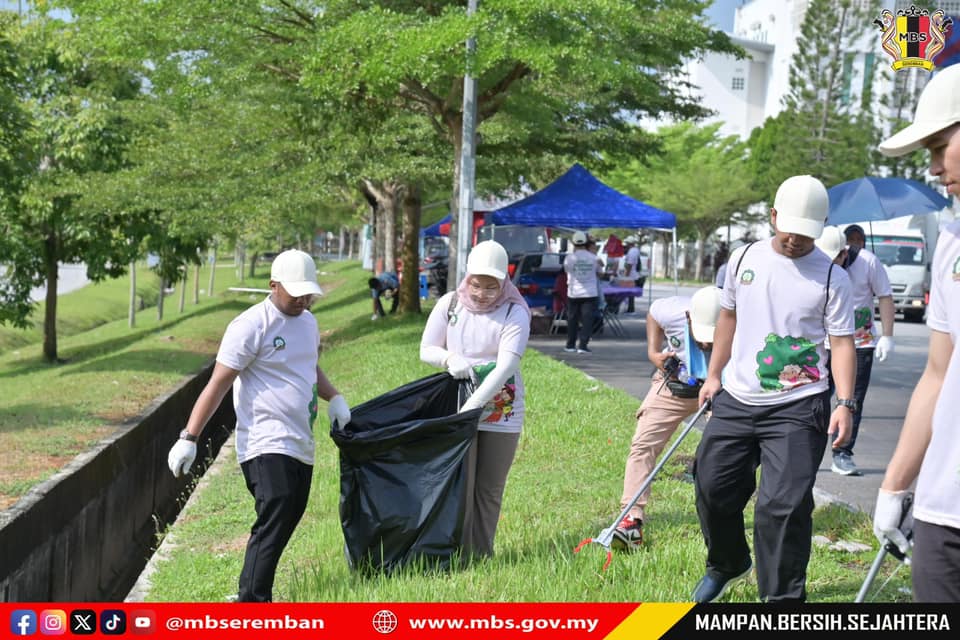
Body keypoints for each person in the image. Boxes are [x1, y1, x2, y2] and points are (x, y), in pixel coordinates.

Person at [692, 175, 856, 603]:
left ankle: (782, 602)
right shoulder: (743, 257)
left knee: (782, 507)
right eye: (789, 230)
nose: (796, 240)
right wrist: (713, 376)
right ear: (773, 217)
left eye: (806, 234)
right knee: (711, 485)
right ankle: (727, 562)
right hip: (738, 396)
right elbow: (727, 318)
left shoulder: (832, 280)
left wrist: (844, 402)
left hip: (800, 406)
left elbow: (841, 344)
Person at [166, 249, 352, 602]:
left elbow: (309, 368)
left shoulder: (308, 323)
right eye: (295, 292)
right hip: (264, 439)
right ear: (273, 285)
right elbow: (218, 383)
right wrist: (189, 436)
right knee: (277, 504)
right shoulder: (251, 325)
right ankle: (251, 600)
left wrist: (336, 397)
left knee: (291, 510)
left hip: (301, 437)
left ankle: (252, 592)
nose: (302, 299)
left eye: (307, 292)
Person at [871, 63, 960, 602]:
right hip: (943, 511)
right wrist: (896, 484)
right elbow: (937, 372)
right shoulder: (951, 241)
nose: (931, 168)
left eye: (939, 146)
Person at [419, 240, 531, 558]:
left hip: (500, 407)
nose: (482, 293)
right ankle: (454, 551)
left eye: (491, 287)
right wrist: (448, 359)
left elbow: (507, 364)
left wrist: (476, 404)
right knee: (460, 483)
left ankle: (481, 553)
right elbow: (427, 348)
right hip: (458, 402)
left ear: (504, 283)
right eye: (476, 284)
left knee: (488, 487)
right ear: (466, 278)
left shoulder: (514, 311)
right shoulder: (450, 304)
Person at [611, 285, 721, 550]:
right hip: (675, 385)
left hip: (722, 390)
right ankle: (631, 519)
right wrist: (653, 352)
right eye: (702, 335)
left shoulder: (744, 320)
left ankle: (720, 521)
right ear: (689, 317)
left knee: (722, 455)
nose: (706, 343)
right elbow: (653, 314)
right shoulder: (671, 310)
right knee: (643, 444)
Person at [817, 225, 895, 476]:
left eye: (836, 260)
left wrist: (888, 335)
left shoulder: (868, 262)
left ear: (844, 252)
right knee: (813, 399)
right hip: (822, 344)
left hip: (859, 344)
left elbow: (885, 296)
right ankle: (807, 450)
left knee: (851, 401)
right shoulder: (816, 262)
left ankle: (842, 454)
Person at [563, 231, 603, 354]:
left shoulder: (569, 258)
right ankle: (583, 346)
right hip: (590, 293)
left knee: (572, 319)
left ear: (574, 242)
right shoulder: (594, 258)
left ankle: (570, 345)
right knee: (587, 320)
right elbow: (600, 273)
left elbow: (567, 271)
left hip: (573, 293)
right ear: (586, 242)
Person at [622, 235, 642, 313]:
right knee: (630, 293)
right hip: (633, 274)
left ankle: (630, 308)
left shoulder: (632, 251)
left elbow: (629, 264)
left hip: (631, 275)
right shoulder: (635, 250)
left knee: (629, 292)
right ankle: (630, 307)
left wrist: (626, 275)